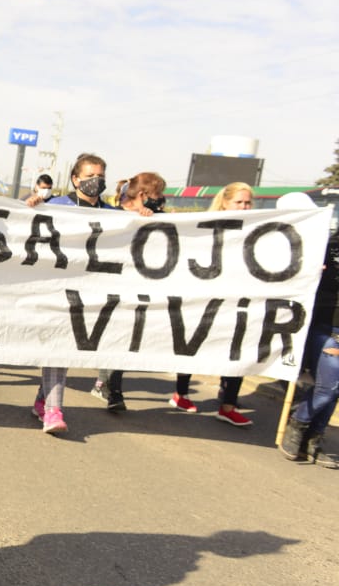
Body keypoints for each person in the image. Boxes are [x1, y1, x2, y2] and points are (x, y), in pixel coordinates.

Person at [31, 153, 117, 434]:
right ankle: (53, 412)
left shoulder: (113, 214)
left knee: (69, 347)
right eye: (90, 175)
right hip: (58, 290)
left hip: (92, 293)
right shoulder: (56, 206)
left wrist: (145, 218)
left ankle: (43, 402)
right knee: (59, 348)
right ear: (75, 179)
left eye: (101, 176)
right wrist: (29, 206)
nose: (97, 181)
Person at [170, 182, 253, 426]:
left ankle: (228, 405)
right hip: (206, 298)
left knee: (237, 351)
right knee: (194, 347)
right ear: (225, 202)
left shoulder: (258, 230)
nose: (244, 206)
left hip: (240, 301)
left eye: (247, 202)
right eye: (239, 202)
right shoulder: (205, 227)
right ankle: (181, 394)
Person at [89, 171, 167, 412]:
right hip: (105, 286)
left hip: (134, 290)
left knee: (123, 338)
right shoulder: (113, 215)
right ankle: (104, 384)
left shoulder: (156, 218)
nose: (161, 199)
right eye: (158, 194)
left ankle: (111, 387)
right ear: (143, 195)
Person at [279, 191, 339, 468]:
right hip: (321, 323)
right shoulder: (325, 246)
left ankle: (314, 438)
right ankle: (299, 423)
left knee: (335, 387)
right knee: (330, 382)